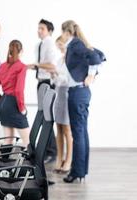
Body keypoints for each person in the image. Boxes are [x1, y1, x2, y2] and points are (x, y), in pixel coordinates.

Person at [61, 20, 105, 183]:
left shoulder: (75, 44)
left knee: (78, 133)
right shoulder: (78, 44)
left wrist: (92, 75)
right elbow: (97, 55)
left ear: (67, 32)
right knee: (82, 132)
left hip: (78, 93)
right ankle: (81, 170)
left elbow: (97, 56)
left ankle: (77, 172)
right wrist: (91, 74)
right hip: (82, 92)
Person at [27, 19, 58, 163]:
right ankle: (47, 150)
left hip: (47, 83)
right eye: (38, 28)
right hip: (40, 82)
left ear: (49, 31)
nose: (39, 31)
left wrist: (37, 65)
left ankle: (51, 151)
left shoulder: (50, 43)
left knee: (47, 118)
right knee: (43, 116)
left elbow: (52, 66)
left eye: (42, 29)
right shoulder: (39, 45)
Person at [0, 40, 29, 147]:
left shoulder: (2, 66)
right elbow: (18, 90)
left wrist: (1, 101)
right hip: (13, 103)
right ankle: (33, 163)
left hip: (3, 103)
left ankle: (4, 162)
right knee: (27, 141)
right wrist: (22, 109)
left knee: (8, 140)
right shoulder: (21, 66)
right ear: (21, 51)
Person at [51, 36, 73, 174]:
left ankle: (68, 160)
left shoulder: (71, 61)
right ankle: (59, 159)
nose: (59, 49)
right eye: (58, 46)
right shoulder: (60, 60)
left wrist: (57, 74)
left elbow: (68, 80)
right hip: (58, 94)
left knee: (67, 129)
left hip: (67, 94)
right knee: (58, 127)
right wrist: (53, 75)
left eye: (61, 46)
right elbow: (57, 80)